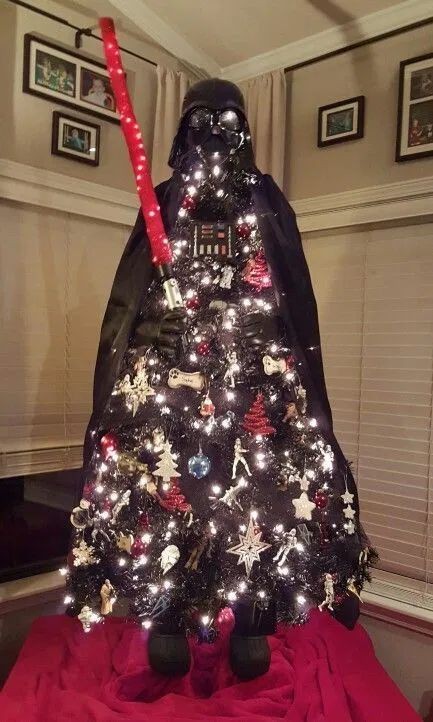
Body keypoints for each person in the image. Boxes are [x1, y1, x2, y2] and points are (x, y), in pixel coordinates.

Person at [66, 79, 372, 680]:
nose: (214, 134)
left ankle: (253, 622)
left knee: (261, 500)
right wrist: (157, 330)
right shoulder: (161, 205)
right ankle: (168, 618)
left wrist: (268, 333)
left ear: (245, 131)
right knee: (166, 495)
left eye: (227, 121)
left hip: (255, 386)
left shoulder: (266, 203)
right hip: (171, 391)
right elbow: (130, 301)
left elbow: (292, 293)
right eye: (201, 120)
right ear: (182, 131)